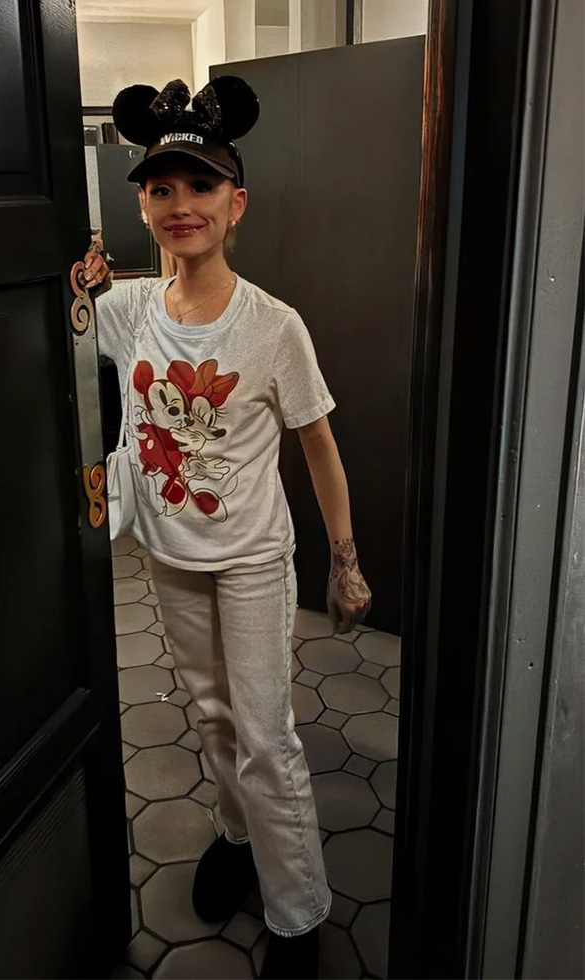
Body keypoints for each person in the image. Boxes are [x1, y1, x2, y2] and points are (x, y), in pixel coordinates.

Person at [83, 76, 371, 980]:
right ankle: (236, 838)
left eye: (200, 187)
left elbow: (319, 443)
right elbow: (59, 314)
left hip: (251, 559)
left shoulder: (273, 327)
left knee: (267, 733)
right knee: (210, 718)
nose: (180, 206)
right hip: (169, 557)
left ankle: (297, 911)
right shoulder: (129, 313)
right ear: (140, 202)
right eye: (160, 188)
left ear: (235, 202)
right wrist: (80, 270)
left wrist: (345, 563)